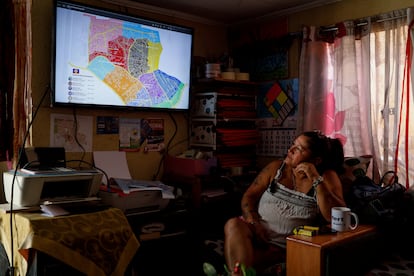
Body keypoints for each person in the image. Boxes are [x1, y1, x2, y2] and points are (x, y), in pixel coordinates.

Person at [223, 130, 346, 275]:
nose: (290, 150)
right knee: (233, 224)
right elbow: (249, 197)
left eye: (299, 149)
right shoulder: (276, 168)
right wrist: (254, 223)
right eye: (293, 144)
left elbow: (334, 216)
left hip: (288, 246)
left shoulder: (326, 176)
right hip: (257, 235)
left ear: (316, 160)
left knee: (250, 262)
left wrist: (315, 178)